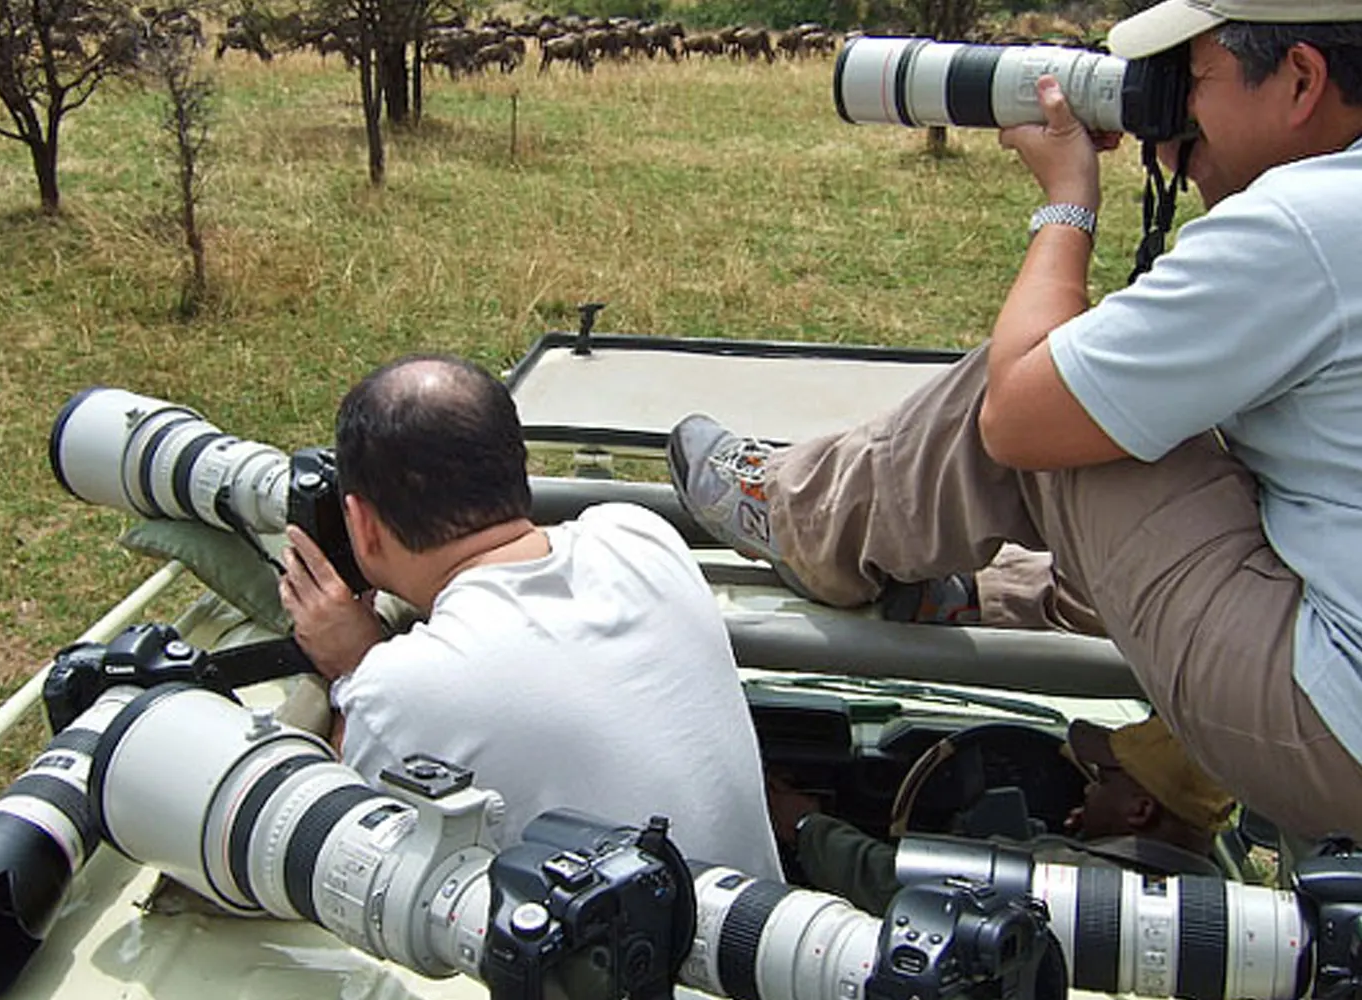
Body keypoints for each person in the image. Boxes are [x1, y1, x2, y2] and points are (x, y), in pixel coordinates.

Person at [667, 0, 1362, 839]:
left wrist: (1068, 201)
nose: (1179, 107)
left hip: (1326, 727)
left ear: (1300, 78)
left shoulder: (1314, 223)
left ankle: (799, 515)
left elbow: (1021, 416)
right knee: (1126, 392)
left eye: (1196, 78)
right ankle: (978, 593)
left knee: (1061, 392)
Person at [278, 354, 782, 879]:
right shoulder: (639, 535)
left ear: (360, 523)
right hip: (757, 935)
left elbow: (351, 857)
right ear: (517, 467)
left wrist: (352, 670)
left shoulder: (396, 690)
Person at [767, 716, 1235, 916]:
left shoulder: (1060, 880)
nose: (1089, 787)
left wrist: (806, 824)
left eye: (1104, 781)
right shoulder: (1233, 910)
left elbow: (899, 888)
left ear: (1140, 811)